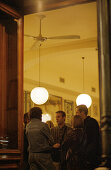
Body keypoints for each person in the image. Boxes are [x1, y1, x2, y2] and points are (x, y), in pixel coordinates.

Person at [76, 104, 101, 169]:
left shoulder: (92, 122)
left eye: (77, 112)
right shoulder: (82, 123)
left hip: (91, 155)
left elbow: (93, 139)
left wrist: (87, 153)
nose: (76, 115)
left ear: (82, 112)